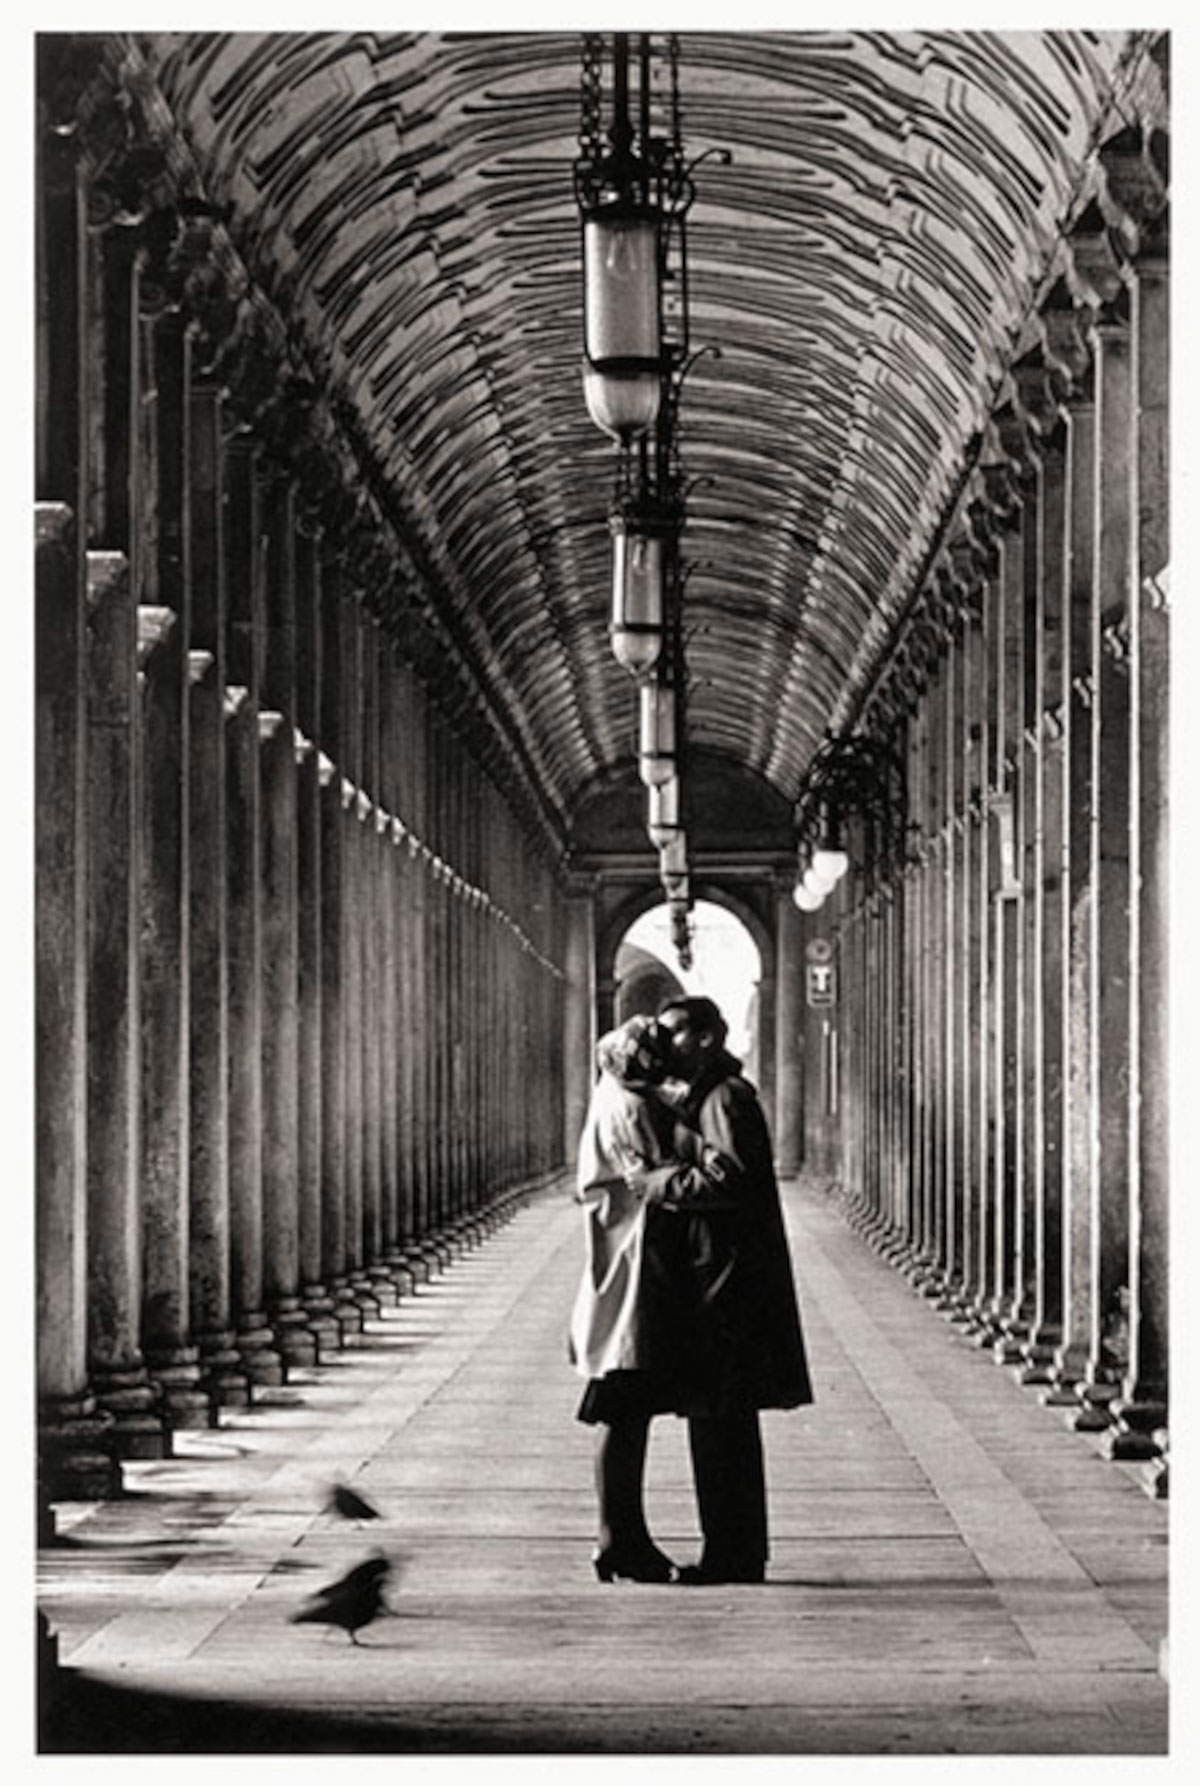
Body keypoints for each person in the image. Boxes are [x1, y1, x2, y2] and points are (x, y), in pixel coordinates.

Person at [627, 994, 813, 1586]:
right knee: (719, 1421)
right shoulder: (710, 1095)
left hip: (727, 1283)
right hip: (720, 1274)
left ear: (707, 1036)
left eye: (674, 1032)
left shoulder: (726, 1098)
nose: (663, 1043)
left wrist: (654, 1182)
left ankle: (732, 1555)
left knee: (722, 1423)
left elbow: (729, 1177)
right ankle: (733, 1550)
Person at [568, 1013, 739, 1584]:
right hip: (636, 1265)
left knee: (624, 1401)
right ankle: (618, 1538)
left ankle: (621, 1536)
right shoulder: (633, 1106)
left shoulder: (612, 1090)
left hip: (626, 1261)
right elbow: (660, 1176)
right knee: (624, 1400)